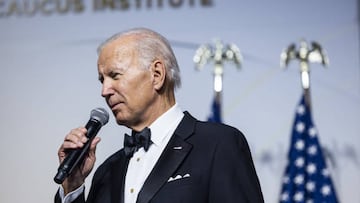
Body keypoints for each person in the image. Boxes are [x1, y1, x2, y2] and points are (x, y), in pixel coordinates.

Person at [55, 27, 264, 203]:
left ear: (156, 75)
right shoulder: (106, 170)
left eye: (115, 76)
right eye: (102, 80)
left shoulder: (219, 144)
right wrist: (72, 185)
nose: (105, 90)